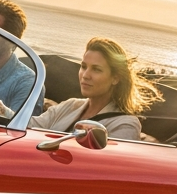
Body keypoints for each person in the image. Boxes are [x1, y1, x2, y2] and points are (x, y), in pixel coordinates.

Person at [30, 37, 161, 141]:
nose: (85, 75)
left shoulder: (125, 124)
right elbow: (29, 124)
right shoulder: (70, 105)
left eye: (96, 69)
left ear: (115, 78)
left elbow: (105, 168)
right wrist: (8, 112)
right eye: (83, 66)